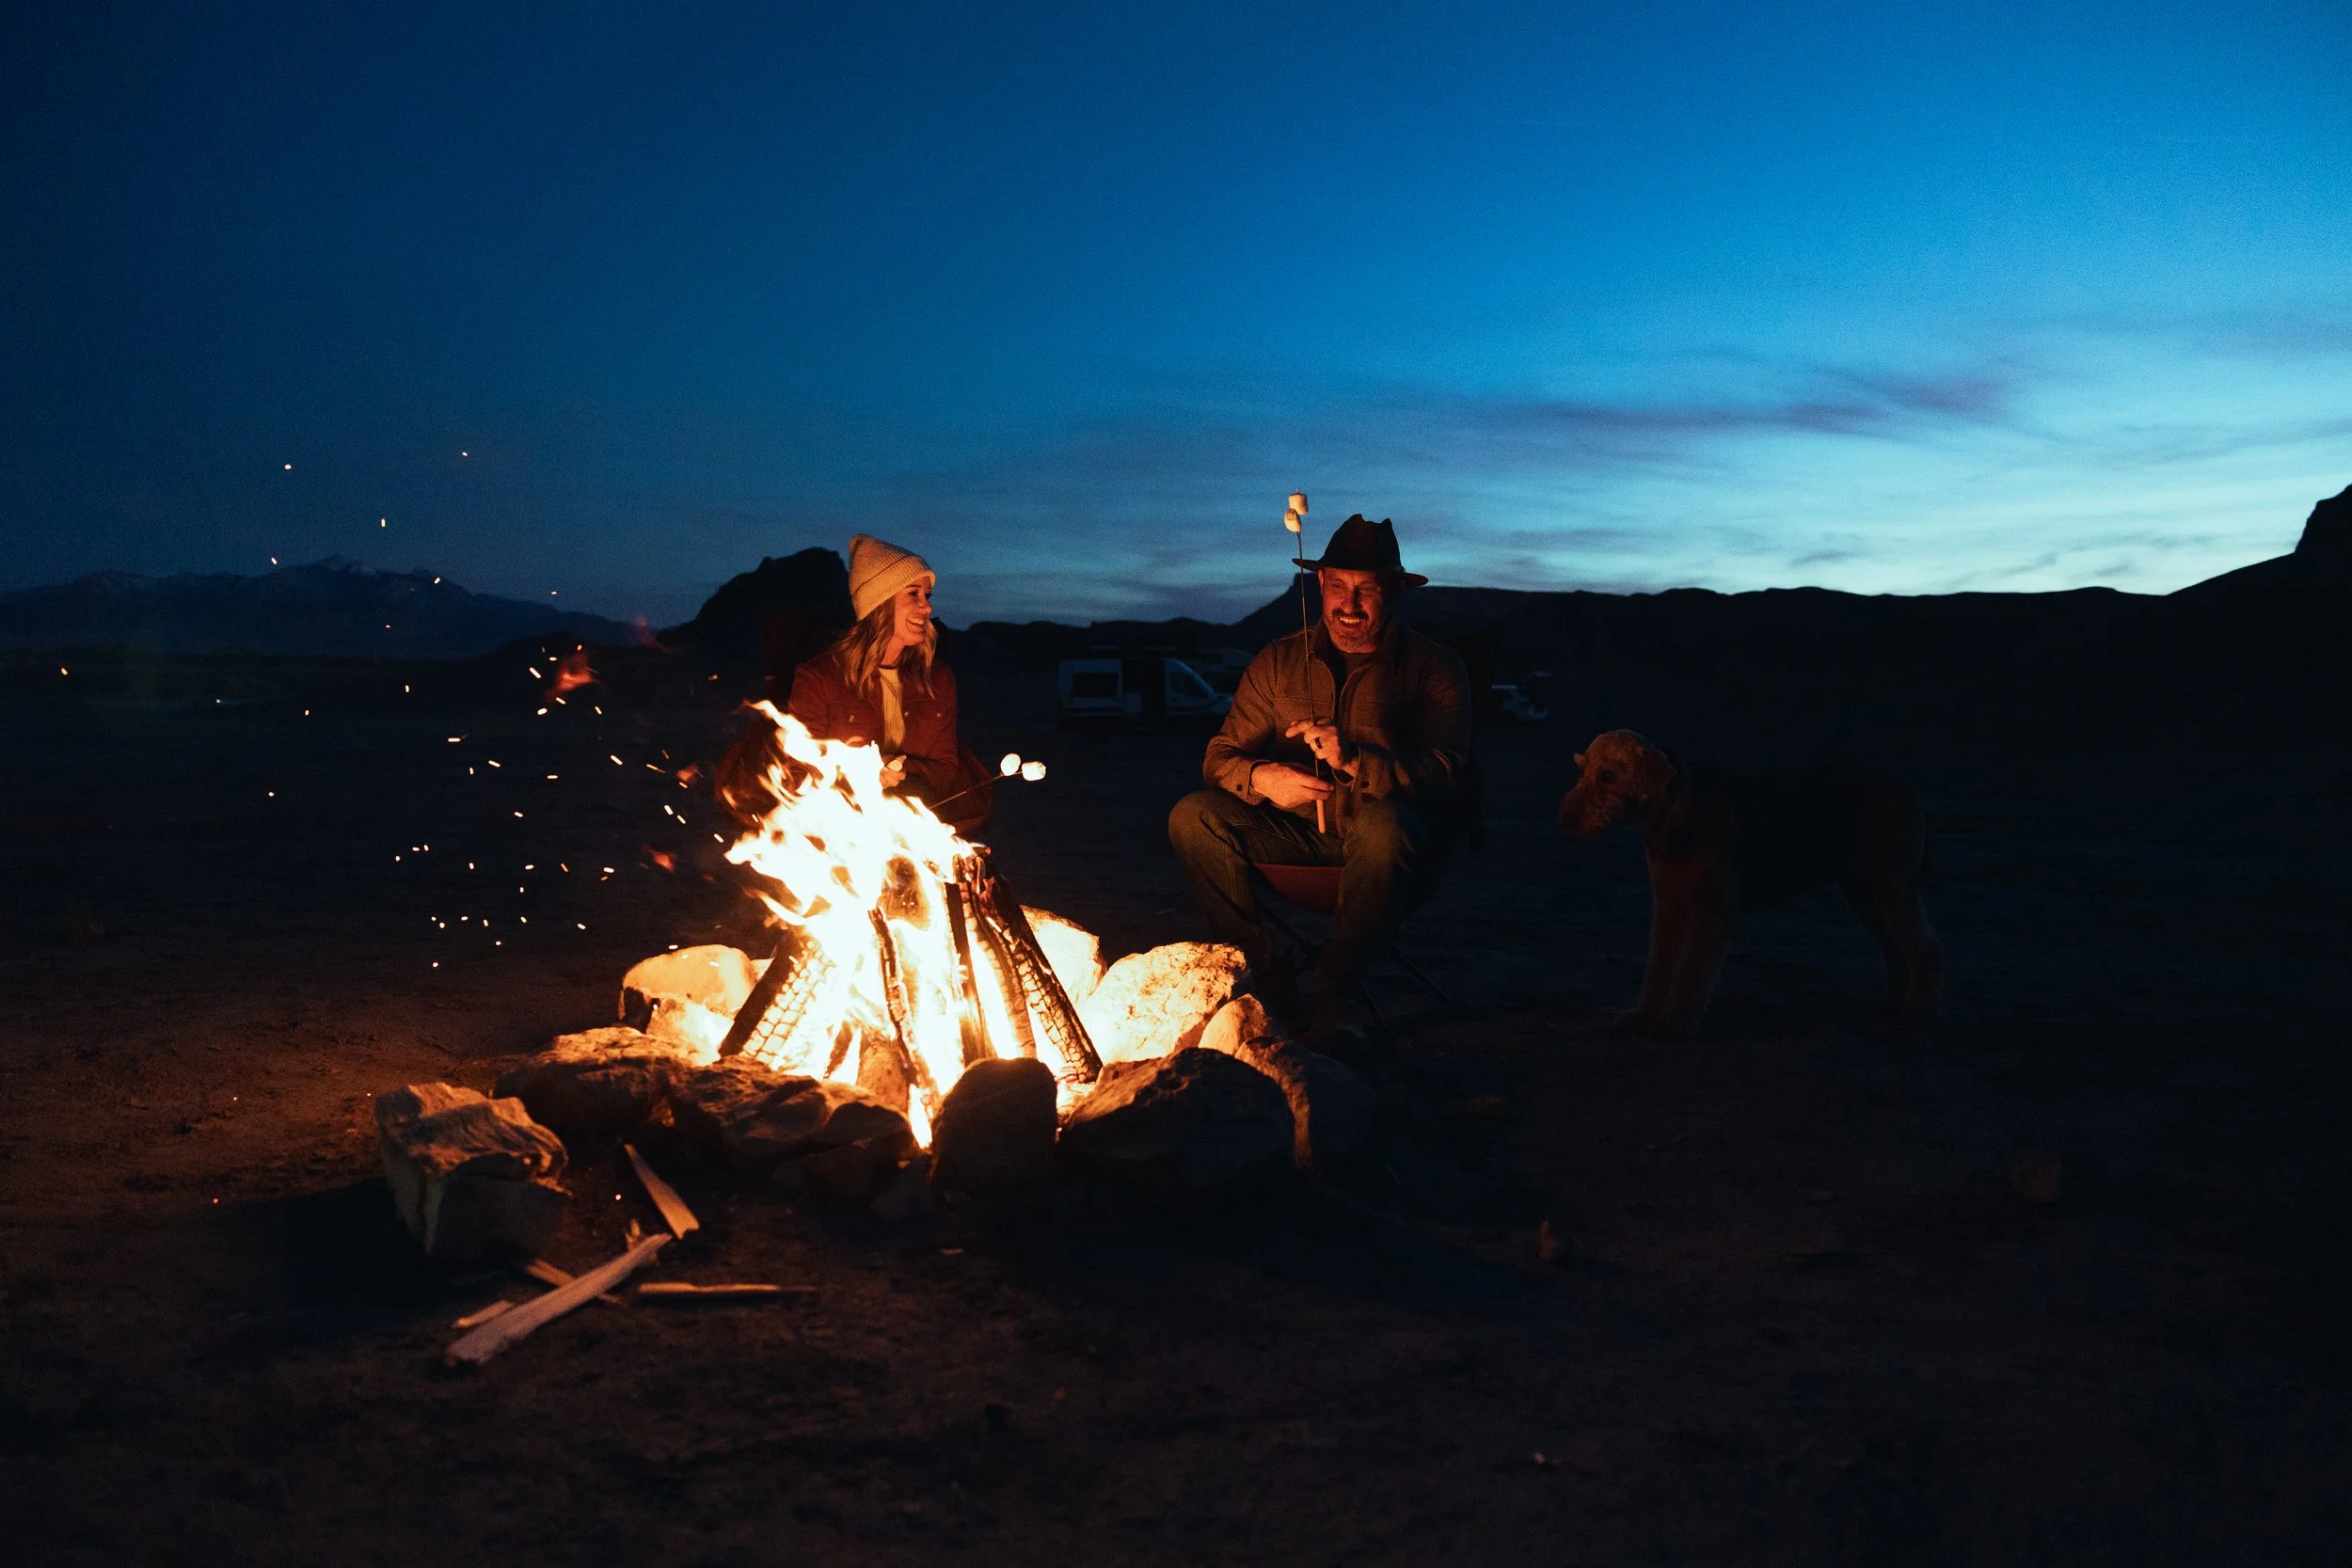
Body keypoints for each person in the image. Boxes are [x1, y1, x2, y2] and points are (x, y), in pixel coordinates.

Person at [1168, 515, 1471, 1037]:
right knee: (1193, 815)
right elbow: (1220, 755)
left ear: (1395, 592)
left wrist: (1356, 761)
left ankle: (1339, 987)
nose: (1347, 606)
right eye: (1336, 587)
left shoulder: (1434, 667)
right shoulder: (1280, 661)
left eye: (1366, 590)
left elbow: (1446, 771)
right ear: (1319, 585)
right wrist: (1261, 776)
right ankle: (1266, 970)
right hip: (1298, 838)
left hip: (1391, 849)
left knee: (1383, 828)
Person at [721, 534, 993, 836]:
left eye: (927, 596)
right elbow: (797, 771)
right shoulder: (821, 677)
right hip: (842, 831)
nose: (927, 607)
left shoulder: (937, 679)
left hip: (918, 827)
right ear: (880, 603)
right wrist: (863, 775)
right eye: (913, 595)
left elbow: (946, 767)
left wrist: (900, 773)